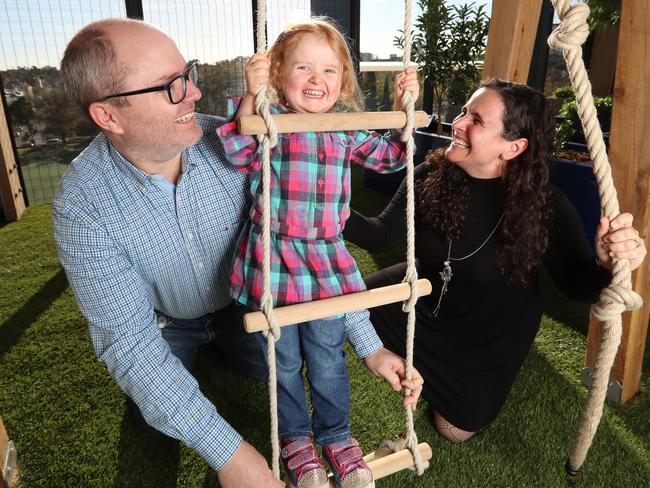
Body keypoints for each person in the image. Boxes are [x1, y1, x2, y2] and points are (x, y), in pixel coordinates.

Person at [52, 18, 423, 488]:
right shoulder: (82, 205)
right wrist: (231, 456)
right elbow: (130, 345)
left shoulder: (235, 139)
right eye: (171, 86)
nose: (194, 94)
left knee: (274, 363)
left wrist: (369, 347)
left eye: (188, 73)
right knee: (155, 412)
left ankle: (319, 427)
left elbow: (313, 253)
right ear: (108, 116)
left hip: (248, 300)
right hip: (168, 322)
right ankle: (219, 377)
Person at [344, 79, 647, 444]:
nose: (457, 123)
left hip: (488, 333)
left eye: (477, 120)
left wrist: (605, 264)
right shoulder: (431, 175)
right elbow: (382, 234)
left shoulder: (542, 206)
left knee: (453, 430)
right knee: (341, 306)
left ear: (514, 147)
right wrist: (324, 207)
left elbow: (576, 286)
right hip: (424, 296)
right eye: (463, 112)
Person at [216, 18, 420, 488]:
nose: (317, 80)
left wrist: (399, 108)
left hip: (326, 259)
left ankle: (336, 435)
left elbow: (392, 157)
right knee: (283, 361)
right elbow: (235, 152)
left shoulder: (345, 127)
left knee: (328, 356)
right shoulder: (271, 122)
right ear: (278, 75)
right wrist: (252, 95)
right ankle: (296, 441)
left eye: (330, 71)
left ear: (344, 81)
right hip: (275, 261)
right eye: (303, 68)